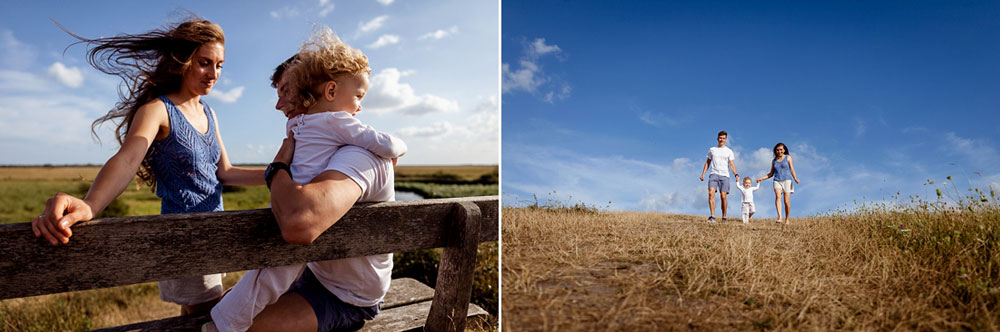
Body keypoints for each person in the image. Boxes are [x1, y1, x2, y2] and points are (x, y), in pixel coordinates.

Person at [31, 17, 265, 315]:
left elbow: (225, 173)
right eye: (205, 62)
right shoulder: (157, 110)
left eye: (220, 65)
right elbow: (128, 158)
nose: (214, 73)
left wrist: (279, 173)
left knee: (200, 318)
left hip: (214, 233)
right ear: (183, 61)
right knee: (213, 315)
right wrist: (91, 204)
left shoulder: (209, 112)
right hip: (183, 237)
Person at [206, 27, 402, 332]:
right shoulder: (308, 131)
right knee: (229, 308)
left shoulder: (357, 152)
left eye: (287, 90)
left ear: (316, 90)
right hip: (316, 273)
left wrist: (277, 168)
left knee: (240, 325)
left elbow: (300, 222)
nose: (280, 103)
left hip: (348, 296)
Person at [699, 130, 739, 222]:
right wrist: (703, 174)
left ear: (726, 139)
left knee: (723, 196)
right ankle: (712, 216)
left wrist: (736, 174)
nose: (722, 140)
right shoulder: (712, 150)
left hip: (724, 175)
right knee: (710, 194)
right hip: (713, 174)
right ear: (717, 139)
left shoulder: (729, 151)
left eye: (723, 138)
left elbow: (732, 164)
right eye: (720, 138)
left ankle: (724, 217)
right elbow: (707, 163)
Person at [756, 142, 800, 223]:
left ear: (784, 150)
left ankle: (787, 218)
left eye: (781, 150)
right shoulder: (774, 161)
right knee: (778, 197)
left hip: (787, 180)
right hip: (777, 180)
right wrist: (761, 178)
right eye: (777, 150)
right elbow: (770, 174)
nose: (779, 151)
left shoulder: (788, 157)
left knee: (786, 201)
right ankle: (779, 217)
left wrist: (795, 178)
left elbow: (792, 169)